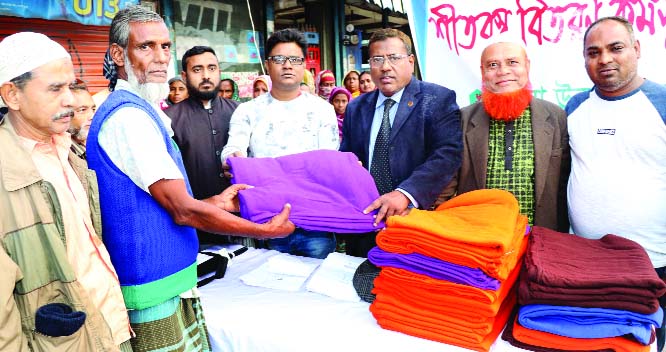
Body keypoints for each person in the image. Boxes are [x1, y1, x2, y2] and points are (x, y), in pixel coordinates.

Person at [86, 6, 294, 351]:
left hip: (170, 279)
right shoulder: (128, 119)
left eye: (165, 46)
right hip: (151, 290)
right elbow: (183, 211)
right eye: (145, 47)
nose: (159, 57)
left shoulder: (142, 110)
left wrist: (214, 203)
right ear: (117, 54)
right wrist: (264, 231)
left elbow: (164, 203)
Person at [0, 32, 132, 351]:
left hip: (112, 329)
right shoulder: (8, 174)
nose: (71, 100)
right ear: (12, 95)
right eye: (55, 89)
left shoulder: (71, 154)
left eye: (71, 86)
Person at [565, 16, 666, 351]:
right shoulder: (575, 107)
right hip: (587, 264)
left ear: (636, 49)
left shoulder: (662, 103)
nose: (604, 59)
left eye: (616, 48)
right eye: (593, 52)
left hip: (654, 265)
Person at [340, 28, 462, 257]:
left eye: (394, 58)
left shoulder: (437, 99)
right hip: (365, 219)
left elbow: (447, 154)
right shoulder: (356, 107)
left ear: (410, 61)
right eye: (377, 59)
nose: (385, 66)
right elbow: (347, 155)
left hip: (414, 220)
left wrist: (406, 193)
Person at [221, 28, 339, 259]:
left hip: (314, 219)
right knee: (269, 285)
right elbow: (234, 146)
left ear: (304, 65)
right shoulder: (248, 111)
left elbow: (328, 158)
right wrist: (232, 158)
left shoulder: (322, 110)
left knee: (317, 286)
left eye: (294, 60)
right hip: (266, 219)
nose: (287, 65)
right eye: (279, 59)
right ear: (268, 65)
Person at [450, 42, 569, 231]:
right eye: (493, 65)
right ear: (482, 72)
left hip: (541, 236)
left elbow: (564, 183)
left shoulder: (556, 117)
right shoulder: (463, 118)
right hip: (479, 236)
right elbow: (447, 178)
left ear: (527, 66)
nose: (503, 71)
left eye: (512, 62)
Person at [165, 46, 246, 247]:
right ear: (184, 76)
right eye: (197, 70)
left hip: (242, 222)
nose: (206, 75)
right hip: (196, 228)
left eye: (211, 68)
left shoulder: (240, 113)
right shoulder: (168, 119)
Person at [69, 78, 97, 159]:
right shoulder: (62, 153)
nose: (92, 116)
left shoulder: (95, 145)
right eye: (82, 110)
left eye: (93, 109)